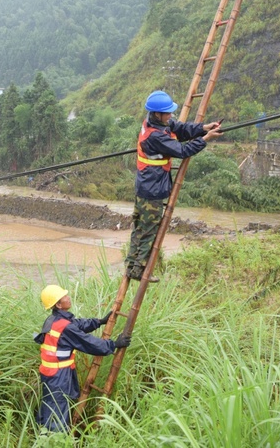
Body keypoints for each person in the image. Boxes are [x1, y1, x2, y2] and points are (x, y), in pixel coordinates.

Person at [125, 90, 223, 281]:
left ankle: (131, 264)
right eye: (167, 113)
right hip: (151, 190)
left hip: (146, 185)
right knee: (148, 230)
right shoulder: (156, 136)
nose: (171, 116)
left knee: (140, 227)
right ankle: (137, 269)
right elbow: (183, 150)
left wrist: (204, 128)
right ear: (156, 114)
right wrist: (206, 139)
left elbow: (181, 129)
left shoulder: (156, 124)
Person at [34, 284, 131, 432]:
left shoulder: (54, 319)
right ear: (59, 304)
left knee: (50, 404)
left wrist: (99, 321)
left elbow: (77, 325)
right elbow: (87, 342)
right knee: (57, 409)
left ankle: (42, 432)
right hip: (58, 375)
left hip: (51, 373)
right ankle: (54, 439)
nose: (68, 297)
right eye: (64, 297)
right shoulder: (64, 327)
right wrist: (114, 344)